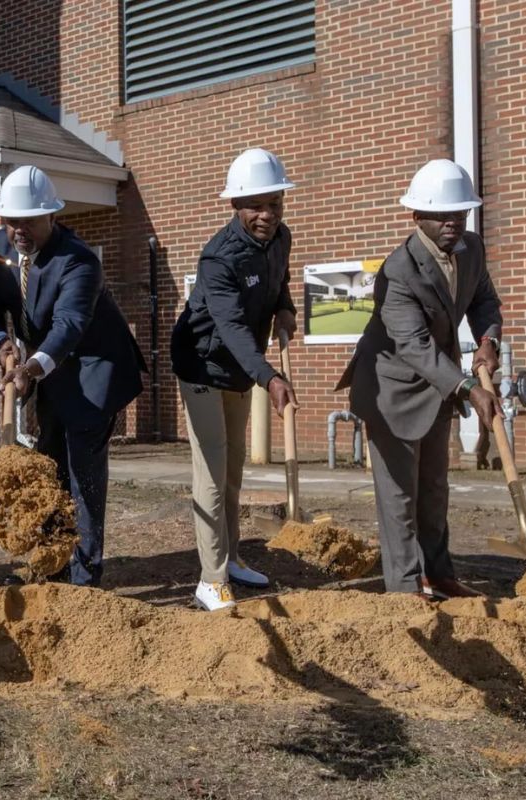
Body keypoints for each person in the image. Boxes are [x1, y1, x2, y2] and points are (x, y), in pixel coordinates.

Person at [336, 159, 503, 600]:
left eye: (459, 213)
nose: (452, 223)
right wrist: (468, 387)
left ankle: (440, 575)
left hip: (437, 385)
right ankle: (405, 588)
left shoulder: (472, 248)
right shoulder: (398, 272)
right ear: (416, 217)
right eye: (440, 215)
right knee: (399, 496)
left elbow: (484, 299)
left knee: (433, 488)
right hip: (391, 388)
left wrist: (488, 340)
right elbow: (414, 346)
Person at [0, 165, 145, 587]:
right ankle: (52, 563)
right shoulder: (2, 246)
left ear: (51, 215)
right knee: (49, 466)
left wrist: (31, 368)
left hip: (94, 369)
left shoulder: (79, 261)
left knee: (81, 470)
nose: (18, 230)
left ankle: (84, 575)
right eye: (11, 220)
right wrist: (2, 344)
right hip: (49, 368)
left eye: (29, 221)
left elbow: (69, 325)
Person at [170, 148, 301, 612]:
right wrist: (269, 376)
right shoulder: (217, 259)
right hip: (202, 365)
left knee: (234, 469)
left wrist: (284, 306)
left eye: (275, 204)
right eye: (257, 206)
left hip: (242, 371)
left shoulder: (280, 237)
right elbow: (232, 327)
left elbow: (277, 277)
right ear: (235, 206)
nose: (267, 215)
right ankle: (210, 579)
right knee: (211, 469)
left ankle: (231, 559)